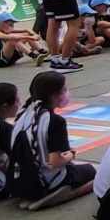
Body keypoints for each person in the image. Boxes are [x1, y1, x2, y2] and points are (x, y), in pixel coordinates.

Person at [10, 70, 96, 210]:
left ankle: (35, 196)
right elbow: (55, 161)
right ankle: (56, 195)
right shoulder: (55, 121)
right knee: (93, 171)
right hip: (45, 179)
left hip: (19, 179)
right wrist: (71, 155)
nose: (66, 93)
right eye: (64, 90)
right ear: (54, 95)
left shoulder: (23, 113)